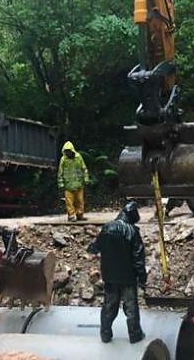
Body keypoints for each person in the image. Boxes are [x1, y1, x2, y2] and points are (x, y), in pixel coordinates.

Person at [87, 201, 147, 344]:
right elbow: (138, 257)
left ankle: (105, 334)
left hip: (110, 276)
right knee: (131, 307)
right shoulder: (132, 231)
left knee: (109, 306)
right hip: (127, 277)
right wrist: (142, 277)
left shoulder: (107, 228)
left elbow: (94, 248)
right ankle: (135, 335)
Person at [57, 141, 89, 222]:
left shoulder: (78, 157)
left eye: (69, 151)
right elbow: (60, 172)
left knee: (80, 200)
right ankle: (71, 216)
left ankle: (80, 214)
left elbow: (84, 168)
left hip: (79, 184)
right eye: (66, 151)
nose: (68, 153)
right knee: (69, 202)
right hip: (68, 185)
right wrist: (61, 184)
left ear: (72, 150)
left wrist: (86, 178)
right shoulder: (63, 159)